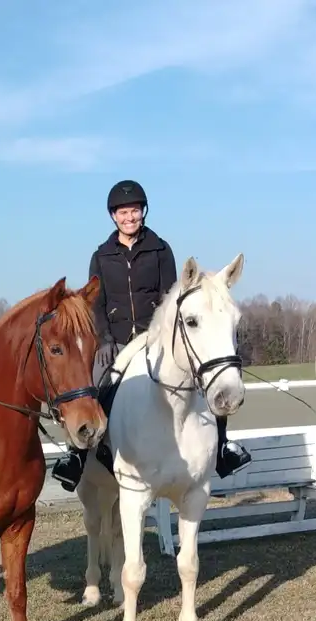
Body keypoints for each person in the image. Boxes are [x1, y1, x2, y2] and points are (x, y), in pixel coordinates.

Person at [51, 179, 251, 492]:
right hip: (115, 339)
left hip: (153, 335)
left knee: (204, 377)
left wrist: (162, 335)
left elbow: (170, 295)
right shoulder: (101, 256)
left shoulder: (160, 249)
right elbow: (96, 303)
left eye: (134, 211)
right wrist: (103, 340)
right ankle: (76, 456)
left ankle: (223, 447)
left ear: (143, 212)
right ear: (113, 216)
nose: (129, 217)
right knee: (92, 381)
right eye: (122, 212)